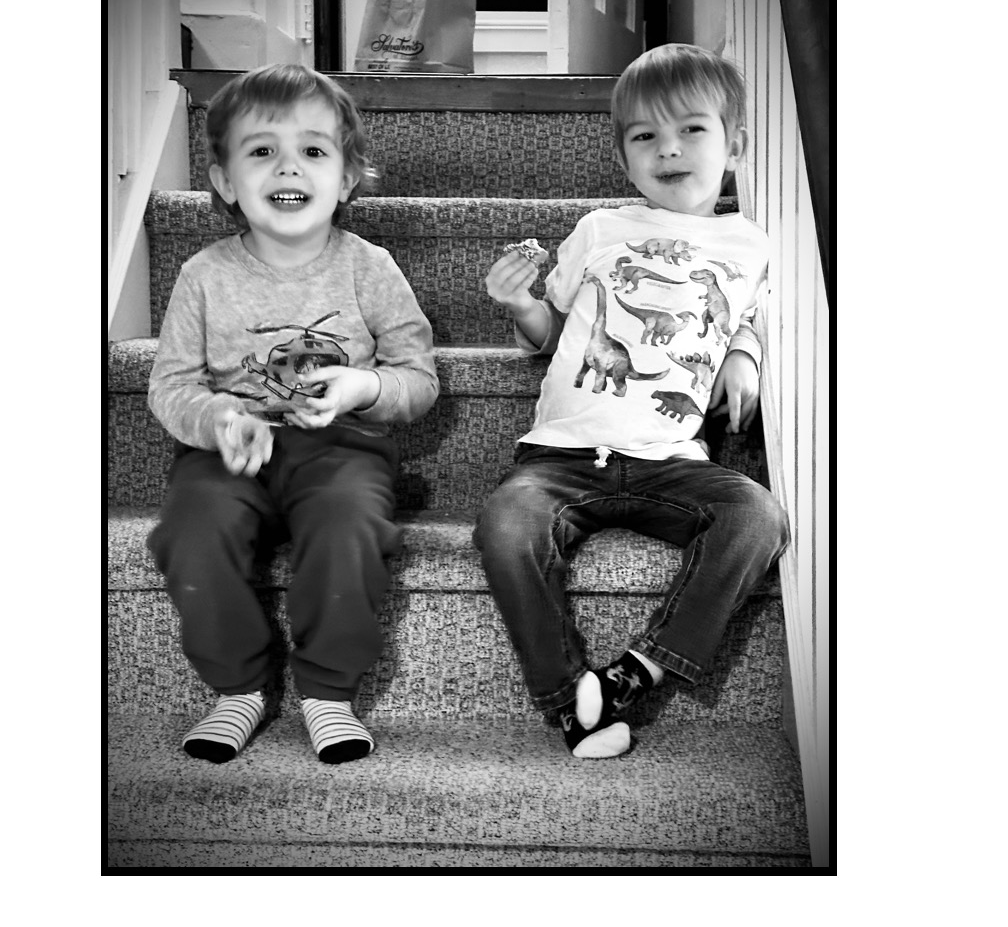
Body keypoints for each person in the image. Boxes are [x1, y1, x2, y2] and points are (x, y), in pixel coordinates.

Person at [474, 44, 789, 758]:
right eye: (646, 135)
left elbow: (749, 317)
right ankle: (569, 700)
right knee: (504, 524)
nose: (668, 148)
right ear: (624, 159)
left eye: (691, 130)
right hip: (561, 456)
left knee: (757, 516)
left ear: (735, 146)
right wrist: (518, 305)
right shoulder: (599, 229)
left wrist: (744, 357)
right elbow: (549, 334)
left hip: (670, 461)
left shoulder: (754, 246)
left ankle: (633, 674)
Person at [147, 64, 438, 765]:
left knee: (348, 526)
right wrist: (220, 419)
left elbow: (418, 378)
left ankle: (328, 692)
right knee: (190, 532)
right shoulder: (203, 275)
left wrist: (361, 387)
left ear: (346, 178)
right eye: (262, 150)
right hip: (228, 453)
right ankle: (238, 687)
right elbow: (170, 386)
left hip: (341, 448)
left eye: (312, 150)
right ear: (225, 182)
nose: (288, 166)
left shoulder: (370, 267)